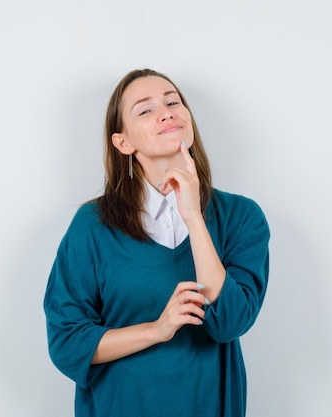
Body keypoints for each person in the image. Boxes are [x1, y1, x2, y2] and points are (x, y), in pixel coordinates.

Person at [43, 68, 270, 417]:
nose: (166, 112)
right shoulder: (92, 226)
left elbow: (229, 323)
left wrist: (193, 216)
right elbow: (67, 343)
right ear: (124, 143)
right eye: (145, 110)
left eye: (173, 102)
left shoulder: (241, 217)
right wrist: (156, 330)